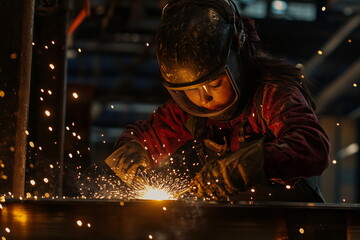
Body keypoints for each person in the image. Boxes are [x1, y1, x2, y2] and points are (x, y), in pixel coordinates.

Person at [104, 0, 330, 202]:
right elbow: (144, 136)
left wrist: (247, 166)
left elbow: (313, 146)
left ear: (237, 63)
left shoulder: (273, 95)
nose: (204, 98)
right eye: (191, 90)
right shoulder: (189, 111)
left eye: (214, 84)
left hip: (289, 221)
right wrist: (131, 152)